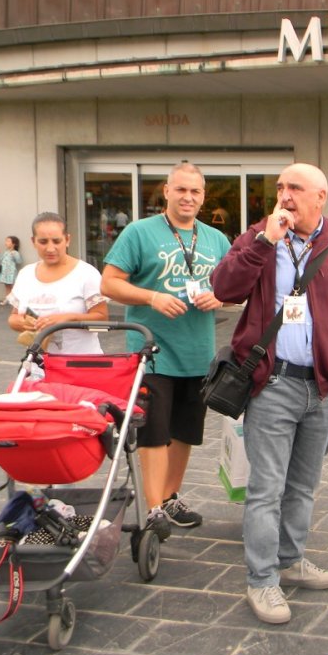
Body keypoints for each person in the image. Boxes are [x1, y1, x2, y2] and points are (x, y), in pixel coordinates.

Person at [210, 163, 328, 625]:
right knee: (266, 489)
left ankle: (291, 559)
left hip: (323, 387)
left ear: (320, 197)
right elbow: (224, 288)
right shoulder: (258, 239)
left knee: (303, 485)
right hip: (272, 383)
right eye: (280, 187)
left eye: (295, 188)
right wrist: (264, 242)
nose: (285, 195)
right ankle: (262, 579)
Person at [101, 162, 231, 541]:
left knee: (185, 431)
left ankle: (171, 497)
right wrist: (152, 297)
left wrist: (219, 297)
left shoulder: (216, 239)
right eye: (181, 190)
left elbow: (235, 286)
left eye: (195, 191)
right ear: (167, 191)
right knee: (154, 433)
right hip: (152, 352)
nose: (188, 197)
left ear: (203, 196)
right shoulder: (139, 232)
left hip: (198, 353)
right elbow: (109, 283)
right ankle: (153, 507)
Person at [8, 213, 107, 353]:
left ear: (67, 240)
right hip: (37, 363)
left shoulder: (86, 273)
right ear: (33, 241)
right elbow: (14, 316)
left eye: (56, 241)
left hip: (80, 361)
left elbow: (102, 320)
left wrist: (68, 318)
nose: (50, 248)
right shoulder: (26, 274)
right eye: (43, 242)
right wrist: (20, 322)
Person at [0, 235, 23, 304]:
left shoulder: (15, 252)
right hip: (5, 272)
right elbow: (1, 260)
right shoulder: (6, 252)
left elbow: (19, 261)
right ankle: (7, 298)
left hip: (11, 272)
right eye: (6, 241)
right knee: (7, 286)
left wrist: (14, 255)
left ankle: (15, 300)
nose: (6, 243)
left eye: (8, 241)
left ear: (14, 244)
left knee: (13, 286)